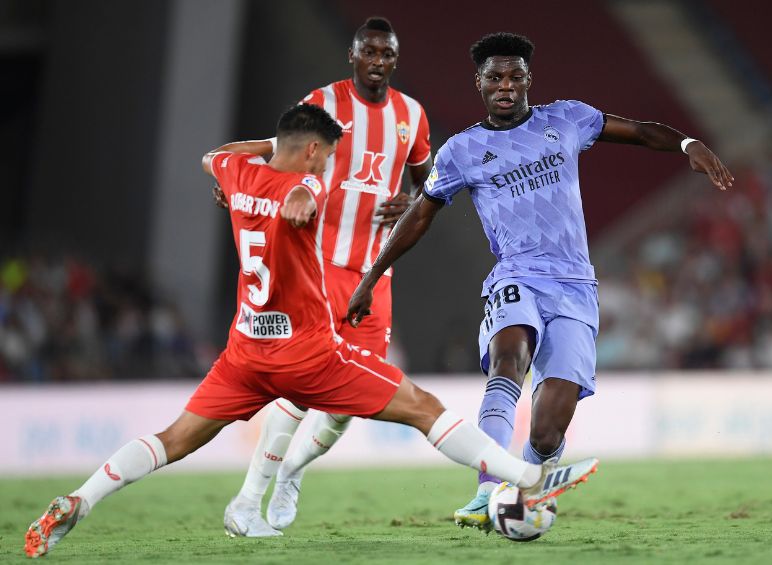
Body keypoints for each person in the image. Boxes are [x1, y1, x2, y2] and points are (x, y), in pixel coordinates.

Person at [23, 103, 596, 558]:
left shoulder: (234, 170)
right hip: (308, 355)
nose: (325, 171)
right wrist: (299, 193)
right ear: (314, 152)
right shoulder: (309, 187)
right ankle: (527, 475)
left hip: (245, 352)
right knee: (421, 405)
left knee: (174, 439)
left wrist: (271, 152)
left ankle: (81, 499)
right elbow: (301, 194)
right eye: (324, 159)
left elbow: (212, 156)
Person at [346, 32, 733, 531]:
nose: (505, 86)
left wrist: (686, 143)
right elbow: (420, 215)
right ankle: (487, 491)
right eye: (494, 78)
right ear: (479, 84)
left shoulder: (567, 119)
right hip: (515, 275)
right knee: (509, 360)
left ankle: (528, 478)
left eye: (514, 76)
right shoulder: (463, 150)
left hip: (574, 286)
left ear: (529, 79)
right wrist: (372, 274)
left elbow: (637, 132)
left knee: (552, 426)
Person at [214, 16, 434, 536]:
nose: (378, 62)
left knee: (347, 404)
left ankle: (291, 473)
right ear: (352, 56)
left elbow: (433, 184)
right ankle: (248, 498)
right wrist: (227, 164)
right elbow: (278, 148)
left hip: (374, 272)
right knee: (298, 385)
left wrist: (412, 199)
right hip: (317, 265)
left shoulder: (412, 115)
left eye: (387, 54)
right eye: (370, 52)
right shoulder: (324, 102)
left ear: (395, 60)